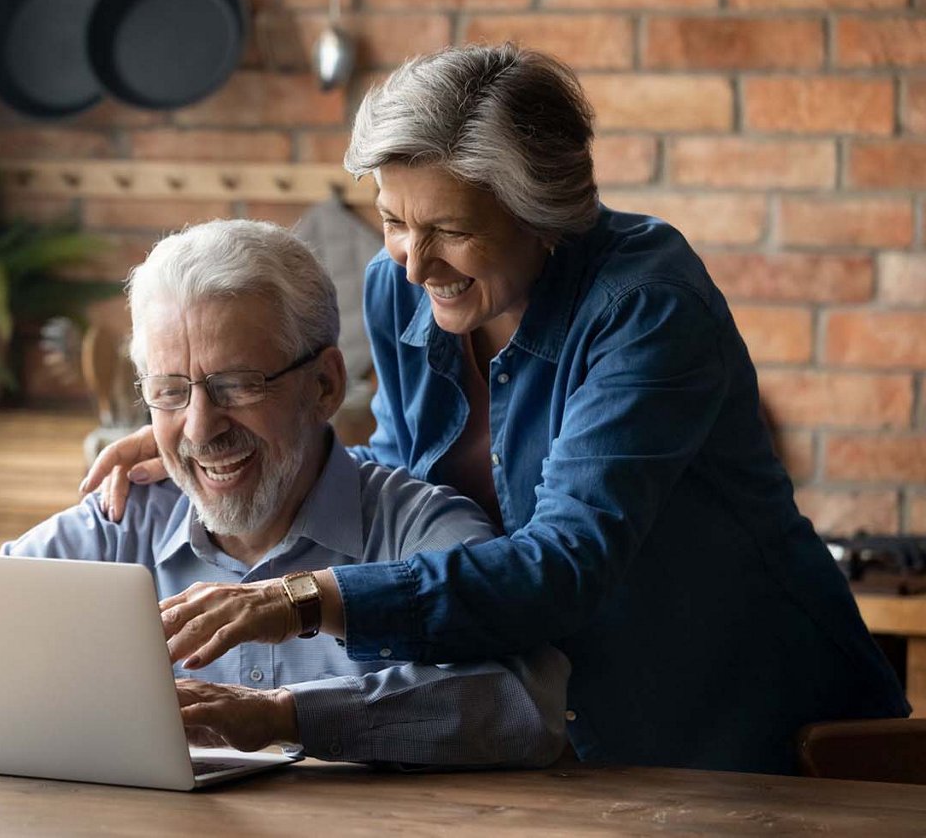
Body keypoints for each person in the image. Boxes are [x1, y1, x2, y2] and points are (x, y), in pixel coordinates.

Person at [81, 44, 910, 775]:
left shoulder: (645, 303)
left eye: (448, 230)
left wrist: (297, 598)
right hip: (569, 738)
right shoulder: (393, 292)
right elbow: (399, 486)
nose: (412, 264)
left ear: (541, 212)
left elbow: (564, 564)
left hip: (752, 725)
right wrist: (213, 435)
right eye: (392, 221)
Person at [5, 218, 569, 768]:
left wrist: (288, 716)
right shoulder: (117, 523)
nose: (201, 428)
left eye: (237, 386)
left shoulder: (419, 530)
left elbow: (524, 706)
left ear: (324, 385)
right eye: (169, 392)